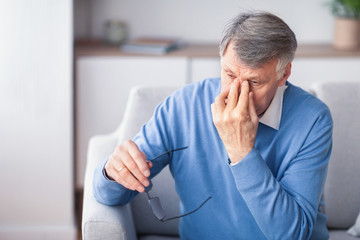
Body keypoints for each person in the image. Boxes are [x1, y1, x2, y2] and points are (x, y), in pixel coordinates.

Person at [93, 11, 332, 239]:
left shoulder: (313, 119)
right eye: (229, 74)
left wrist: (241, 152)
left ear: (284, 74)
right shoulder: (182, 106)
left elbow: (291, 234)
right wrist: (111, 173)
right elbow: (110, 193)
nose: (236, 93)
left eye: (254, 81)